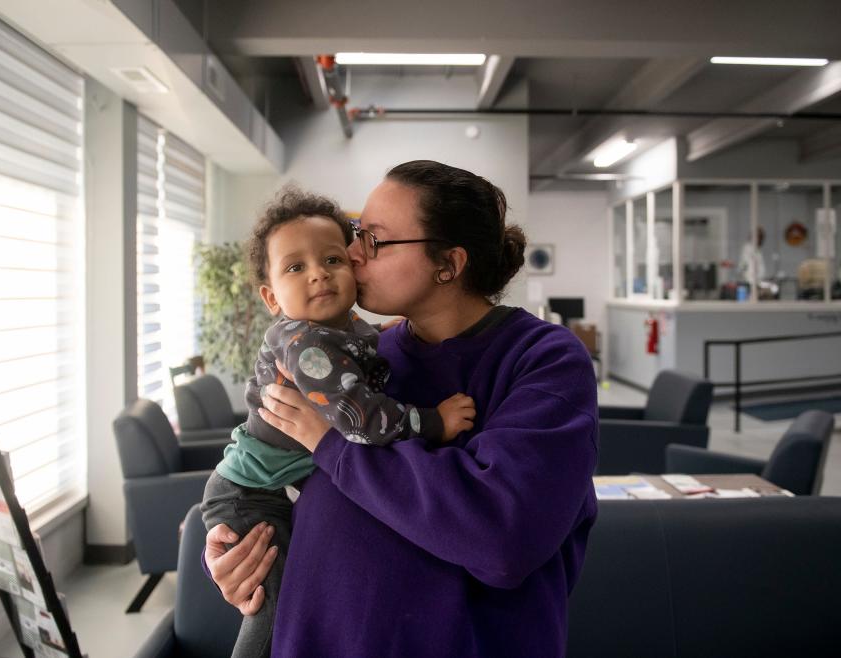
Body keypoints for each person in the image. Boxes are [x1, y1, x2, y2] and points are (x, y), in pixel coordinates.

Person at [204, 160, 599, 658]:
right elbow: (278, 479)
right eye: (355, 234)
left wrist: (332, 446)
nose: (350, 254)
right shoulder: (357, 358)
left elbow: (502, 536)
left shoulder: (543, 359)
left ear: (448, 264)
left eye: (372, 239)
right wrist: (234, 555)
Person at [200, 186, 477, 658]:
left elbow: (365, 345)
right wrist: (434, 422)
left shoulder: (345, 330)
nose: (318, 276)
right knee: (271, 607)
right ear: (271, 297)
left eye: (334, 259)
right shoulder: (306, 344)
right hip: (254, 496)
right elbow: (359, 419)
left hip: (275, 490)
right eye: (295, 267)